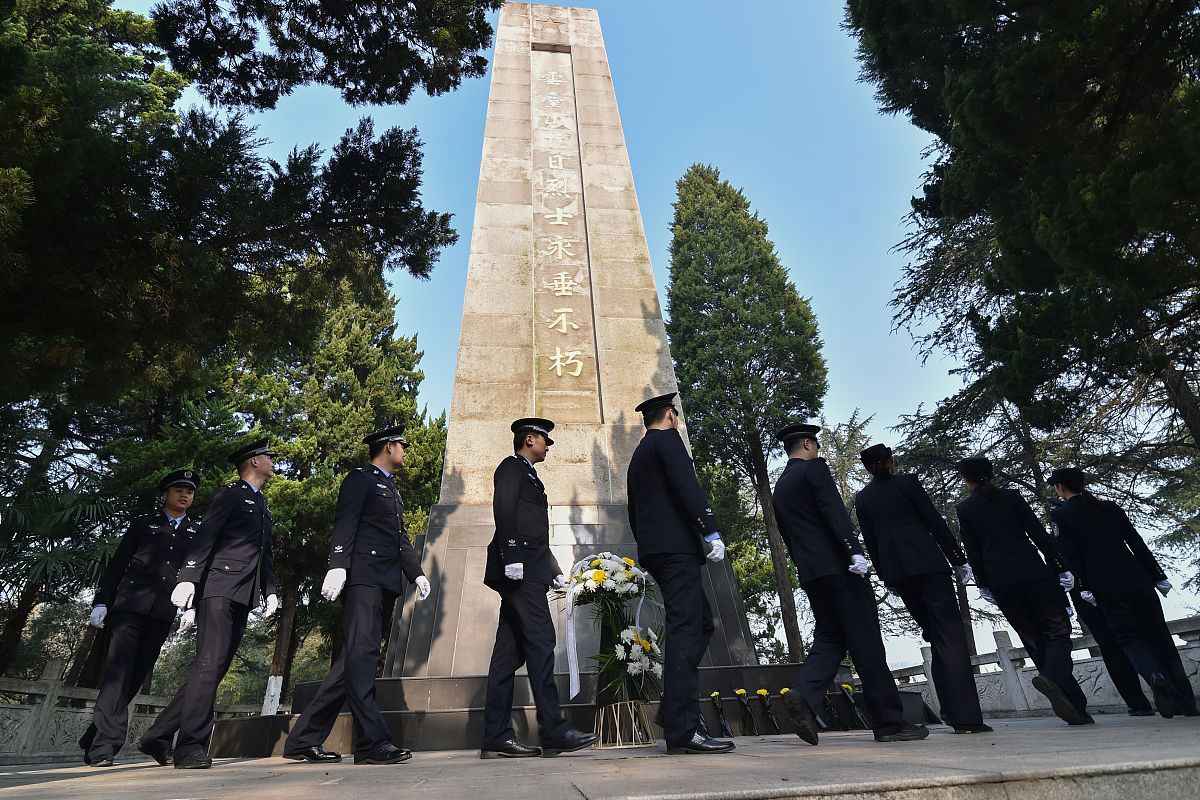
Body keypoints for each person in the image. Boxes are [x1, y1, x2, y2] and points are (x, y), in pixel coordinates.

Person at [283, 424, 434, 765]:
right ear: (388, 447)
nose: (405, 452)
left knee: (351, 662)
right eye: (402, 446)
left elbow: (399, 540)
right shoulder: (361, 479)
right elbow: (346, 522)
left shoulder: (391, 489)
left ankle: (302, 740)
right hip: (363, 580)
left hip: (385, 583)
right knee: (364, 660)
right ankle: (371, 744)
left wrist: (417, 573)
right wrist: (338, 564)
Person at [772, 424, 927, 745]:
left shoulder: (781, 484)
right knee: (866, 642)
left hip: (812, 573)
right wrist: (854, 552)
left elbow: (788, 535)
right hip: (841, 568)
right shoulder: (815, 469)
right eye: (815, 444)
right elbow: (834, 512)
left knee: (830, 637)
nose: (817, 449)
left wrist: (805, 565)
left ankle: (803, 693)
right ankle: (889, 723)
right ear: (806, 443)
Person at [138, 439, 280, 768]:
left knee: (212, 669)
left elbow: (264, 552)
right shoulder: (229, 493)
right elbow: (207, 536)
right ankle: (189, 746)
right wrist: (188, 577)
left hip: (244, 592)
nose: (272, 461)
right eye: (268, 456)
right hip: (218, 586)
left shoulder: (261, 503)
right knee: (209, 664)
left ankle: (157, 736)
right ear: (253, 462)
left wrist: (270, 590)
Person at [479, 418, 599, 759]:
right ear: (529, 439)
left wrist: (554, 571)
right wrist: (511, 555)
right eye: (545, 439)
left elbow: (536, 532)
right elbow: (504, 511)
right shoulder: (512, 468)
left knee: (507, 656)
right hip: (519, 572)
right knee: (542, 640)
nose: (549, 445)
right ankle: (553, 729)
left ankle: (495, 736)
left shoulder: (532, 475)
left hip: (532, 569)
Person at [854, 444, 990, 734]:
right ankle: (966, 716)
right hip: (928, 565)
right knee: (949, 635)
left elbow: (872, 542)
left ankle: (951, 710)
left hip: (899, 575)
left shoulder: (863, 498)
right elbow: (933, 521)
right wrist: (958, 558)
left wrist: (886, 577)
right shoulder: (907, 482)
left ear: (868, 468)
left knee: (935, 634)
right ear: (890, 461)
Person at [626, 393, 733, 755]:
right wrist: (710, 530)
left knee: (700, 623)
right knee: (688, 628)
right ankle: (683, 727)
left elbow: (633, 510)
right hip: (676, 549)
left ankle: (675, 714)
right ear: (671, 415)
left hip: (659, 550)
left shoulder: (640, 453)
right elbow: (687, 486)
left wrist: (649, 550)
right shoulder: (668, 442)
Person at [1049, 466, 1197, 718]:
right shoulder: (1110, 508)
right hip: (1137, 578)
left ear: (1061, 488)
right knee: (1160, 636)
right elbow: (1136, 542)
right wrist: (1158, 575)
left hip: (1105, 586)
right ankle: (1187, 703)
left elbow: (1072, 557)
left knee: (1129, 638)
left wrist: (1084, 587)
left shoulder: (1062, 516)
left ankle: (1153, 675)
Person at [954, 456, 1092, 725]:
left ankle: (1074, 705)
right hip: (1033, 573)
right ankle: (1061, 687)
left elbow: (973, 549)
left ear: (967, 479)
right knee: (1058, 630)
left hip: (1000, 581)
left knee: (1033, 639)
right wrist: (1060, 565)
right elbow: (1037, 534)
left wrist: (982, 583)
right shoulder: (1011, 497)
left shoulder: (965, 509)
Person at [80, 469, 202, 766]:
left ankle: (93, 737)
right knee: (117, 674)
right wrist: (101, 601)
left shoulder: (197, 532)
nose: (185, 495)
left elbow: (196, 574)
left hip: (162, 612)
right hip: (129, 607)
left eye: (189, 492)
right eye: (178, 490)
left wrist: (192, 607)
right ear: (165, 494)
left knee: (135, 677)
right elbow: (118, 563)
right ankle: (104, 748)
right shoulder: (143, 524)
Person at [1047, 498, 1155, 717]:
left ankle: (1138, 703)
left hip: (1084, 598)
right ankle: (1158, 680)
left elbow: (1055, 574)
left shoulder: (1053, 540)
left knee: (1110, 647)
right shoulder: (1093, 528)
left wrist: (1064, 604)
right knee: (1135, 638)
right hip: (1113, 589)